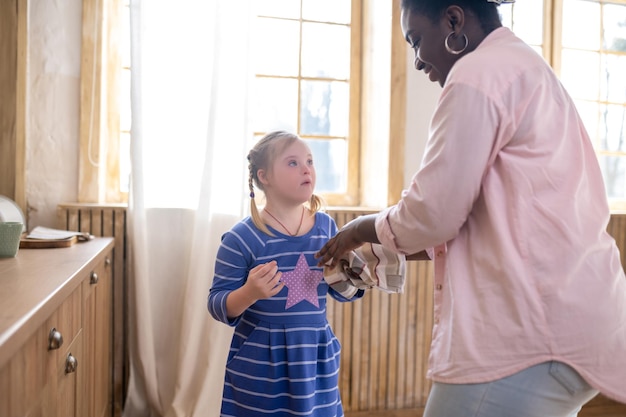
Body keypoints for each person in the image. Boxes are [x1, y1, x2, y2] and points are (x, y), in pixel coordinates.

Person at [315, 0, 626, 416]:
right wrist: (380, 248)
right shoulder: (526, 67)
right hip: (583, 317)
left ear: (454, 19)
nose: (419, 61)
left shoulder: (476, 75)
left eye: (416, 40)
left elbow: (433, 214)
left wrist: (359, 229)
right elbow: (476, 223)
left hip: (529, 333)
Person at [208, 130, 364, 417]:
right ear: (264, 177)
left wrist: (353, 277)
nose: (306, 168)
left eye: (309, 161)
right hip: (262, 370)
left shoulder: (327, 229)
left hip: (314, 360)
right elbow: (218, 305)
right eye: (292, 163)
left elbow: (342, 293)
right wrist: (249, 293)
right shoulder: (241, 238)